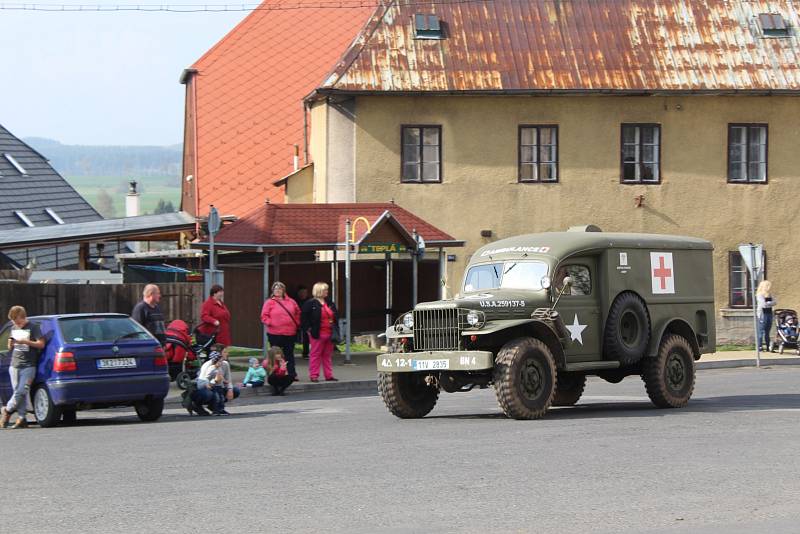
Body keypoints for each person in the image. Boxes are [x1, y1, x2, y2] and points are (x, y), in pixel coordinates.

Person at [1, 306, 46, 429]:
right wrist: (10, 344)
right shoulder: (14, 328)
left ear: (23, 317)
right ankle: (22, 418)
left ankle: (7, 410)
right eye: (13, 321)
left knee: (22, 391)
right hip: (14, 365)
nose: (16, 323)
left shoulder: (33, 327)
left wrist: (26, 342)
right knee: (18, 393)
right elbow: (10, 347)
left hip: (29, 366)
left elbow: (41, 344)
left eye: (17, 321)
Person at [260, 281, 301, 381]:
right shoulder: (269, 302)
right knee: (275, 354)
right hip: (275, 333)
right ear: (273, 291)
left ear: (283, 290)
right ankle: (273, 373)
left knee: (289, 354)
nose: (277, 290)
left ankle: (292, 374)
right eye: (275, 289)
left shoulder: (291, 301)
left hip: (290, 332)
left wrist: (297, 323)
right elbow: (264, 316)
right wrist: (271, 322)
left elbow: (298, 313)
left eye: (279, 288)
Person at [301, 282, 339, 383]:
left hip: (330, 333)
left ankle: (329, 375)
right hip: (317, 333)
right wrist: (309, 330)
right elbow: (304, 318)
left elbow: (336, 316)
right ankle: (314, 375)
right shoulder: (310, 303)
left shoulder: (330, 302)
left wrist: (336, 329)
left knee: (327, 355)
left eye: (327, 290)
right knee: (315, 354)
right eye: (325, 290)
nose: (327, 291)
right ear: (319, 291)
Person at [756, 280, 776, 350]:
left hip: (769, 313)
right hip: (762, 314)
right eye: (768, 286)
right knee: (761, 331)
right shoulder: (759, 295)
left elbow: (775, 302)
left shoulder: (770, 294)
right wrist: (770, 303)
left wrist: (768, 303)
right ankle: (759, 346)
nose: (770, 287)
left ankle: (768, 346)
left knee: (768, 331)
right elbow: (763, 305)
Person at [295, 285, 311, 358]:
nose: (303, 294)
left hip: (306, 322)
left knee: (306, 337)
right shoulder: (295, 301)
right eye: (301, 292)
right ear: (298, 293)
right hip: (296, 321)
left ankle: (305, 353)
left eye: (305, 292)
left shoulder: (310, 301)